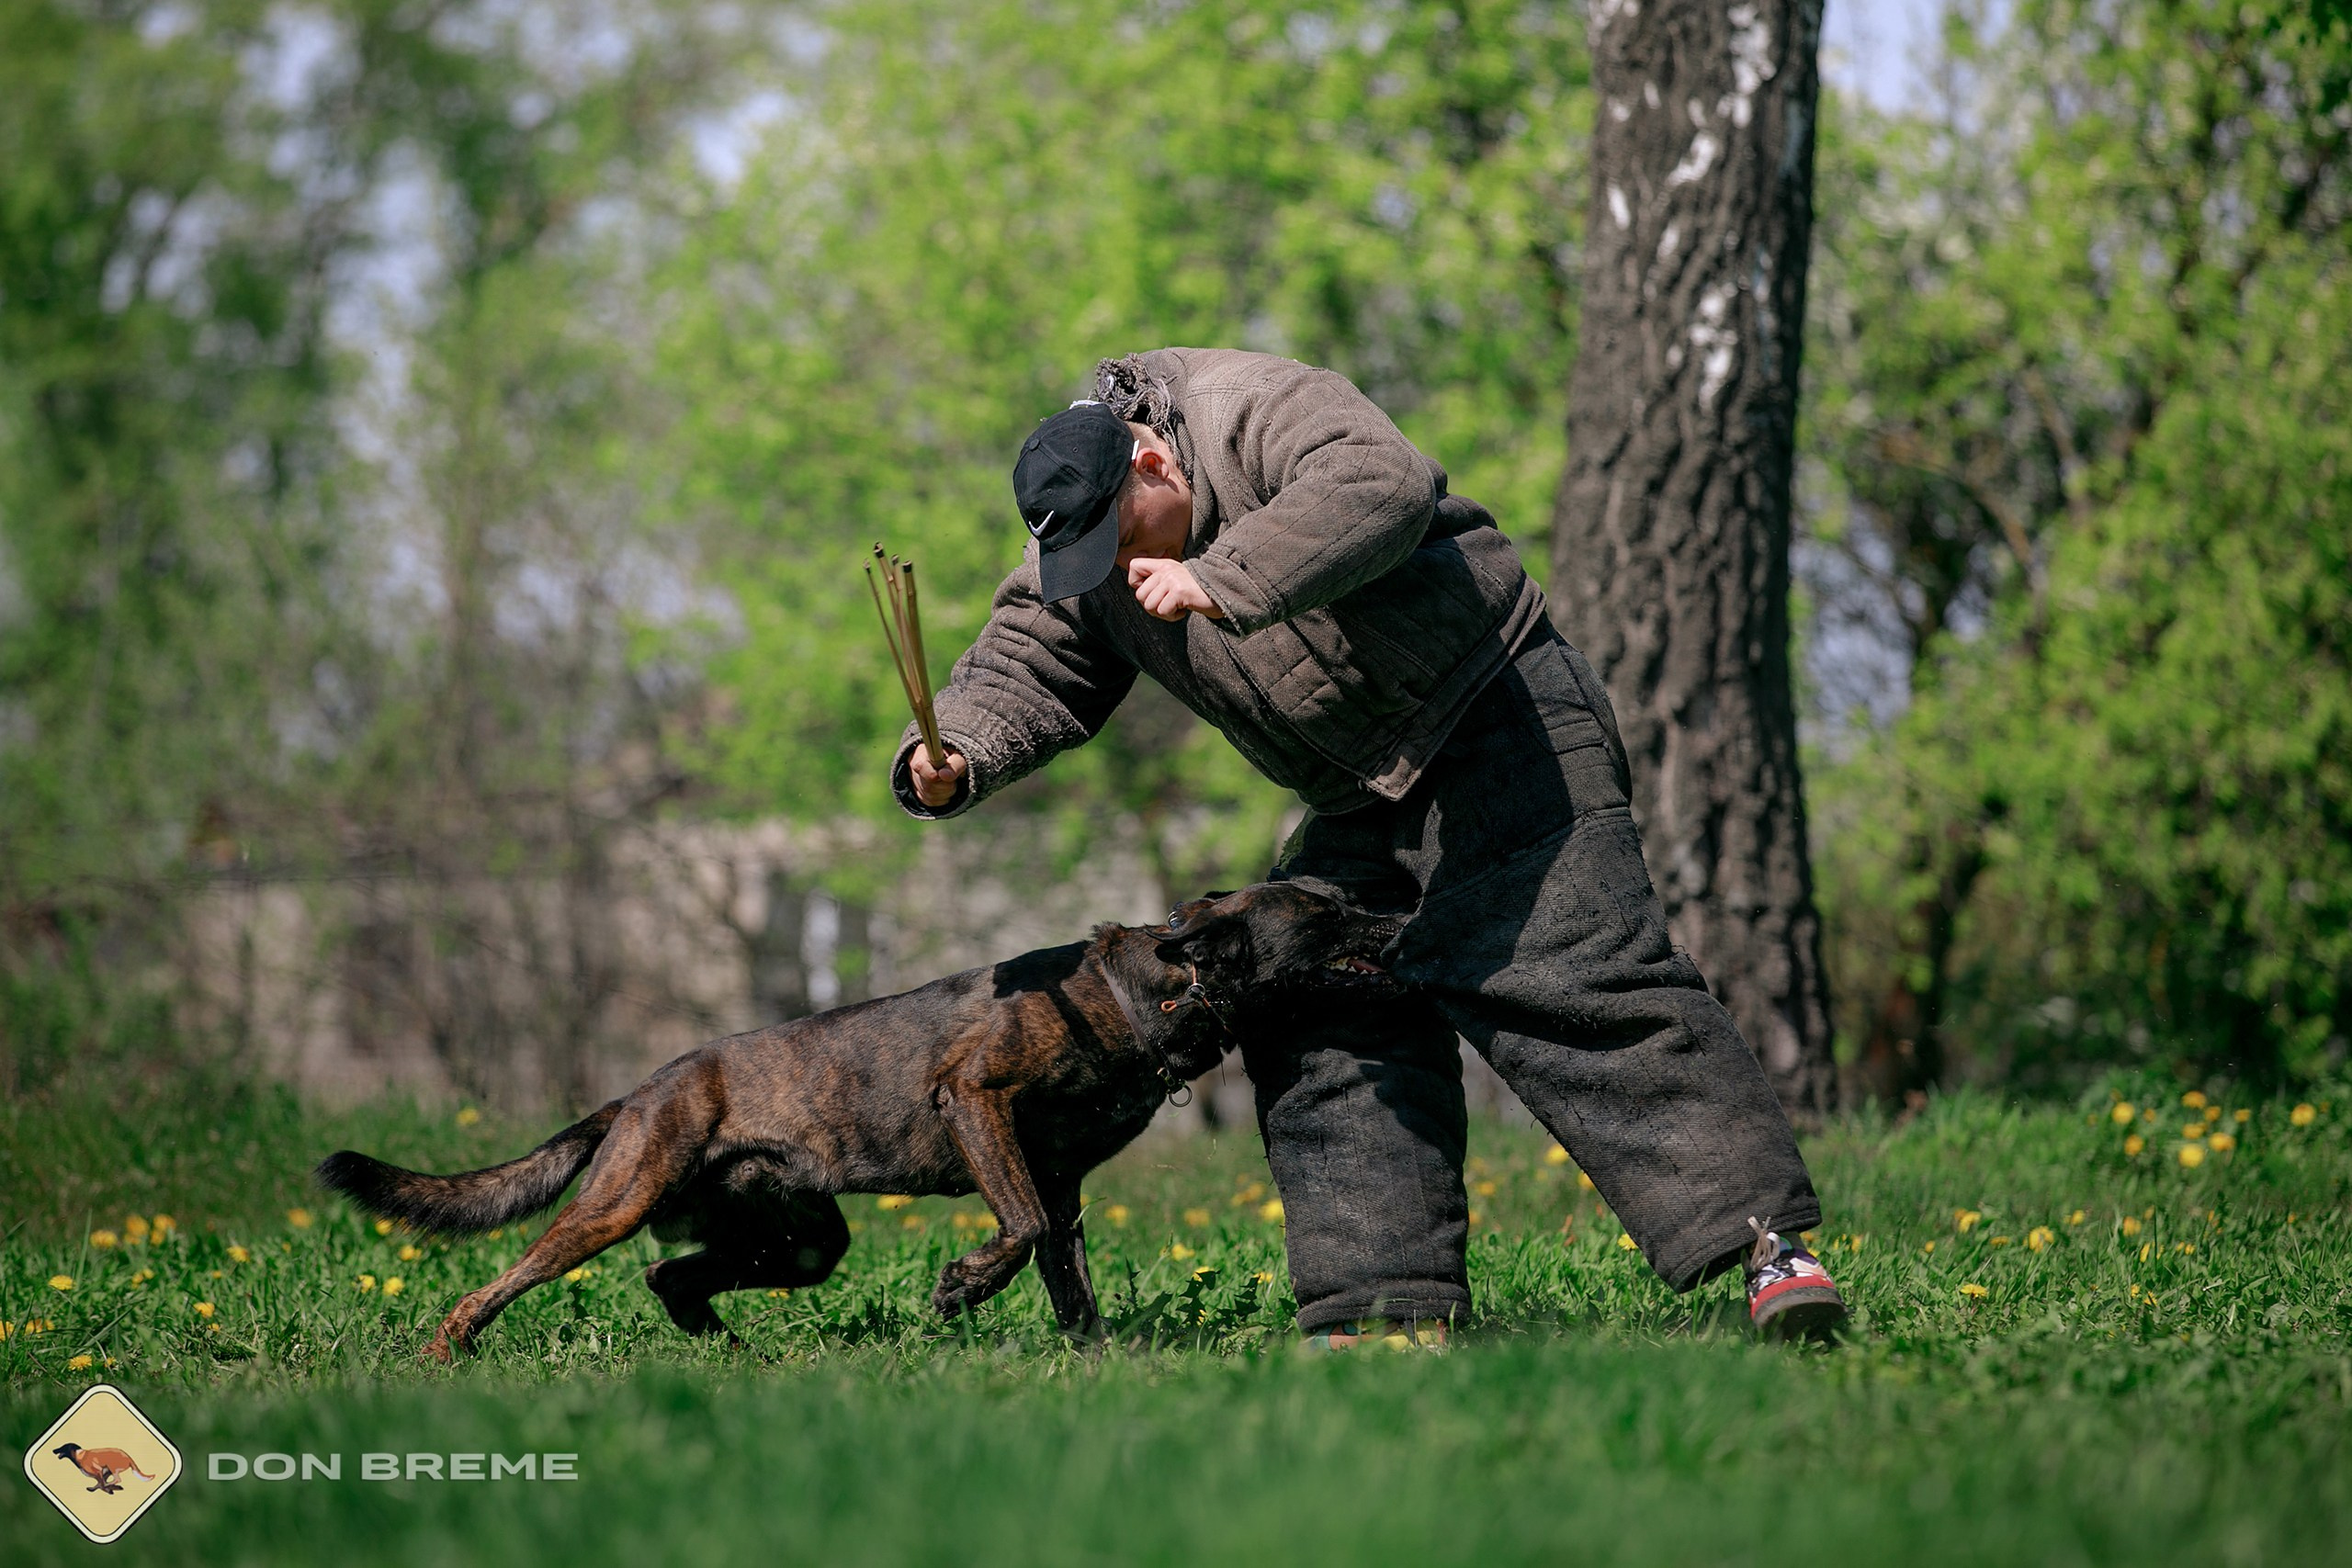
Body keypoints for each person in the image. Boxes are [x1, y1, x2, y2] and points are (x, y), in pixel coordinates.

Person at [891, 348, 1846, 1344]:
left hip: (1496, 712)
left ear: (1151, 465)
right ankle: (1382, 1313)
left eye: (1122, 543)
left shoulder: (1247, 406)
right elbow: (1027, 659)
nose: (1115, 576)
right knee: (1312, 997)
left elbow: (1378, 485)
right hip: (1354, 789)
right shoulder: (1092, 545)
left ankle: (1772, 1252)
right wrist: (952, 751)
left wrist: (1224, 577)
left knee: (1578, 976)